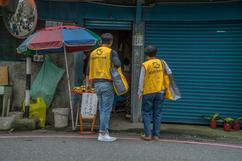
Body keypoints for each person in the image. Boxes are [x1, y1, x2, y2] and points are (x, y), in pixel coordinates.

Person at [87, 33, 121, 142]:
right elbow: (118, 64)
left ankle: (104, 132)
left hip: (96, 84)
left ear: (101, 41)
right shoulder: (111, 52)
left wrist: (88, 84)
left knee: (102, 109)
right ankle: (102, 133)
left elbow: (87, 70)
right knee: (106, 109)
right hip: (107, 83)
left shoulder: (92, 53)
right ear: (111, 42)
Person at [137, 45, 171, 141]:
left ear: (146, 54)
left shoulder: (145, 64)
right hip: (160, 91)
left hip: (148, 92)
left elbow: (141, 80)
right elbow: (169, 72)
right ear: (156, 53)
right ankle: (156, 135)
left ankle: (148, 135)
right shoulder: (162, 62)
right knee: (158, 113)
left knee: (147, 113)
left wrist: (139, 93)